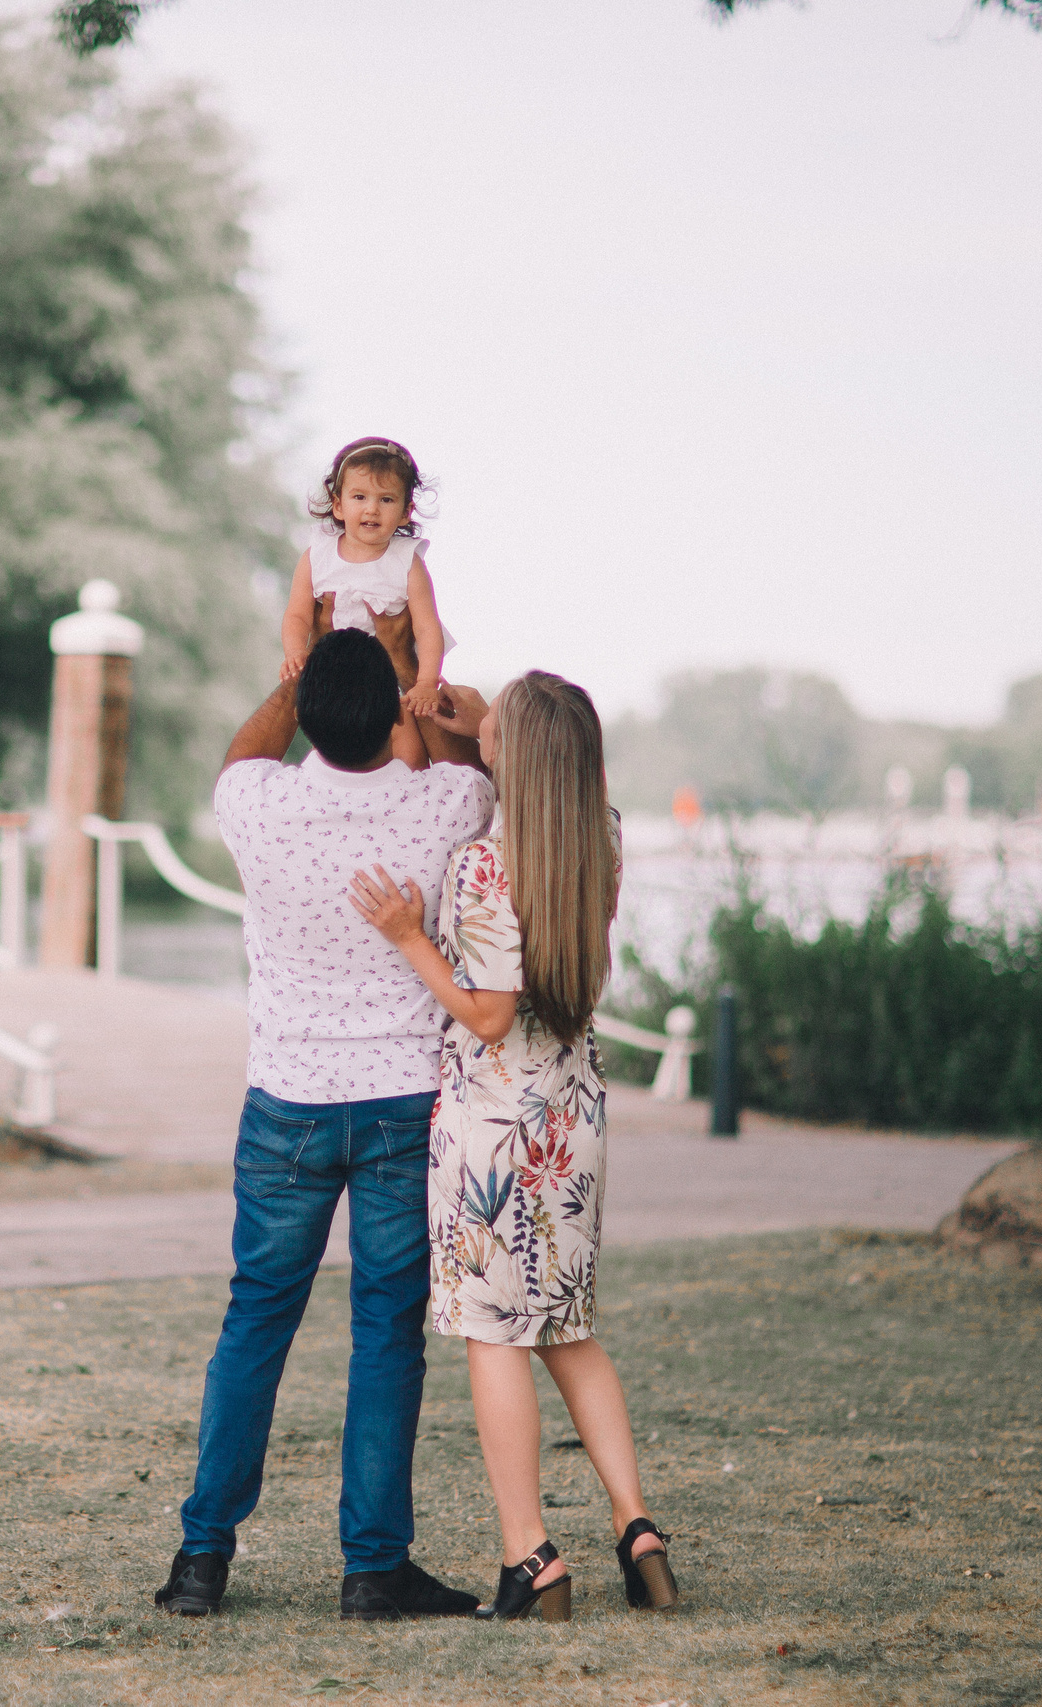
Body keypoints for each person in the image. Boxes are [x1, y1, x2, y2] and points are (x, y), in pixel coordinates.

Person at [152, 628, 493, 1622]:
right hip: (400, 1102)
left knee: (255, 1324)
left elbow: (241, 753)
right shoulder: (448, 804)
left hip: (287, 1102)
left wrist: (296, 674)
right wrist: (421, 681)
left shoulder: (256, 803)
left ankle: (201, 1561)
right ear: (392, 712)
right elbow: (467, 747)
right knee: (385, 1336)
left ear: (303, 712)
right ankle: (372, 1568)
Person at [345, 671, 679, 1623]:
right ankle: (637, 1527)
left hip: (494, 1130)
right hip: (573, 1118)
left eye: (500, 732)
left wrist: (412, 936)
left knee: (496, 1338)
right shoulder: (597, 837)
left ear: (514, 760)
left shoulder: (485, 866)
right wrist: (486, 717)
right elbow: (536, 762)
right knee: (570, 1329)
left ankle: (529, 1554)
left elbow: (487, 1013)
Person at [278, 438, 454, 771]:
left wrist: (427, 682)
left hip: (388, 679)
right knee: (331, 751)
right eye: (359, 497)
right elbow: (298, 614)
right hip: (334, 678)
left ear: (405, 512)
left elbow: (427, 627)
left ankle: (406, 798)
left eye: (386, 499)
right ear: (339, 505)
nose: (371, 509)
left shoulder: (406, 562)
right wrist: (294, 652)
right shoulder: (318, 556)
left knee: (411, 756)